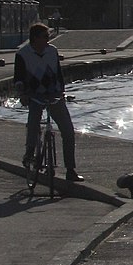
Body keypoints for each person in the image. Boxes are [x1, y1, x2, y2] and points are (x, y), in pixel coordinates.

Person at [15, 23, 83, 182]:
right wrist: (23, 94)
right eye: (45, 36)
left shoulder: (52, 51)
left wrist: (62, 90)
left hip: (54, 94)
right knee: (33, 123)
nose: (48, 39)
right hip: (34, 95)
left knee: (68, 131)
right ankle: (30, 153)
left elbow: (58, 73)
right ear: (35, 38)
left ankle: (70, 170)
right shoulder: (23, 54)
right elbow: (18, 78)